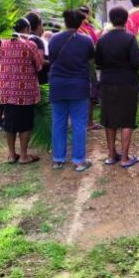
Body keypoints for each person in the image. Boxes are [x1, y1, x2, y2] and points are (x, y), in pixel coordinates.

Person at [95, 7, 139, 168]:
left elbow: (98, 62)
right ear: (125, 20)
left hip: (107, 82)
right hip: (127, 82)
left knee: (109, 120)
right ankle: (124, 158)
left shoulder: (102, 39)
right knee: (127, 120)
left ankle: (110, 155)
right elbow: (136, 63)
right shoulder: (130, 39)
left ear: (111, 19)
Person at [48, 10, 95, 172]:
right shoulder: (86, 41)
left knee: (58, 123)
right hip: (79, 87)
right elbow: (90, 59)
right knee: (79, 124)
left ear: (65, 22)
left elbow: (52, 58)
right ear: (80, 24)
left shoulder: (53, 40)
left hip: (57, 86)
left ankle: (58, 159)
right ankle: (79, 161)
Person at [0, 18, 45, 165]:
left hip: (8, 90)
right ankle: (24, 155)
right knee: (25, 123)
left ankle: (12, 155)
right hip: (25, 91)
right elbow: (39, 66)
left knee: (10, 122)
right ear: (26, 29)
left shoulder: (3, 44)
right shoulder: (29, 44)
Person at [77, 6, 102, 131]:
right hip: (88, 65)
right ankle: (89, 122)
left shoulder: (73, 30)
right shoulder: (88, 30)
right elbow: (96, 46)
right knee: (91, 93)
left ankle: (81, 121)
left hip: (75, 66)